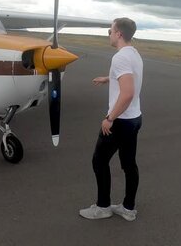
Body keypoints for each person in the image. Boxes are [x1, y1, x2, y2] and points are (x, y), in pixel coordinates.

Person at [79, 17, 143, 222]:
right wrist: (108, 79)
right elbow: (129, 79)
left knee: (99, 161)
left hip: (121, 121)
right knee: (128, 164)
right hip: (134, 118)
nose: (108, 34)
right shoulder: (134, 54)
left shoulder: (120, 58)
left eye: (110, 30)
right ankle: (128, 208)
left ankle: (103, 207)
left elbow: (127, 93)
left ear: (119, 34)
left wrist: (109, 118)